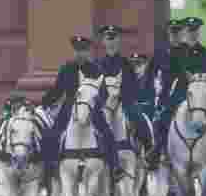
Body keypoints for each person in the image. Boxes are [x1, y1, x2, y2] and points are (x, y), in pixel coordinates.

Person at [147, 17, 206, 172]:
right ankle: (157, 151)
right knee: (164, 117)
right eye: (190, 31)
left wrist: (203, 80)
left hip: (204, 93)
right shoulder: (176, 53)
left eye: (195, 31)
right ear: (185, 32)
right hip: (182, 93)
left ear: (199, 33)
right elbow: (170, 75)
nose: (193, 34)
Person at [42, 35, 121, 182]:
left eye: (83, 50)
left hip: (92, 108)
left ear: (88, 51)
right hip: (69, 107)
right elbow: (57, 90)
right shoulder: (66, 68)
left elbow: (103, 92)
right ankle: (50, 168)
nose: (80, 53)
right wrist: (44, 102)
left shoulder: (96, 69)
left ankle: (114, 166)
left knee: (107, 133)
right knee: (52, 134)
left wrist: (96, 102)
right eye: (77, 50)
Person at [94, 25, 154, 153]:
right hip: (102, 104)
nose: (111, 42)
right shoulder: (97, 65)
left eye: (114, 38)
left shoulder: (126, 64)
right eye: (108, 38)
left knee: (138, 117)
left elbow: (132, 89)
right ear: (103, 41)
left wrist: (119, 99)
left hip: (124, 104)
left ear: (119, 40)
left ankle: (148, 150)